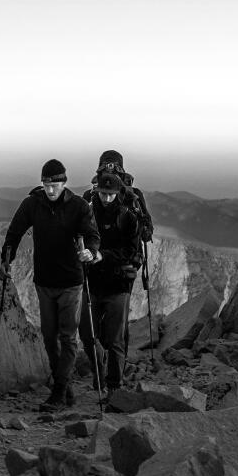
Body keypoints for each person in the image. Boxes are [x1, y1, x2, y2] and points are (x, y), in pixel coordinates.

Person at [0, 159, 101, 409]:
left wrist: (90, 251)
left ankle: (58, 392)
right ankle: (64, 388)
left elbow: (92, 234)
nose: (51, 189)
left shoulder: (78, 206)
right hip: (44, 281)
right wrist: (6, 260)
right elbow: (14, 232)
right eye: (46, 184)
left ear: (64, 183)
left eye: (55, 184)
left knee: (67, 338)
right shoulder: (32, 204)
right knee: (48, 337)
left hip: (71, 282)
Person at [81, 167, 143, 396]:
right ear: (97, 191)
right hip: (92, 283)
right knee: (88, 336)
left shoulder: (127, 217)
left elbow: (130, 250)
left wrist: (102, 256)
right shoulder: (86, 213)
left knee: (116, 339)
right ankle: (100, 376)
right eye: (103, 193)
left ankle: (114, 387)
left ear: (117, 193)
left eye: (110, 194)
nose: (106, 198)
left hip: (118, 285)